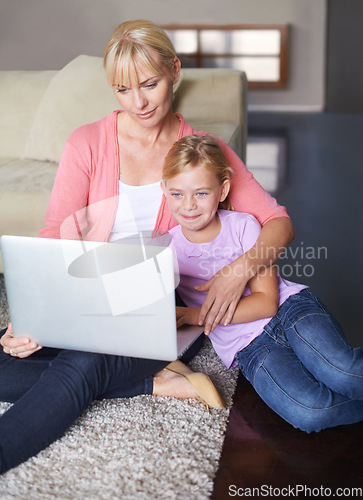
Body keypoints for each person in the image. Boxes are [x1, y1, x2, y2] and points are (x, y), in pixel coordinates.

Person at [0, 20, 293, 474]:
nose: (138, 102)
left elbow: (278, 222)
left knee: (82, 363)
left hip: (153, 305)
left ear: (174, 71)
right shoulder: (87, 143)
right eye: (122, 90)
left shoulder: (202, 151)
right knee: (7, 360)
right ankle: (154, 384)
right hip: (85, 294)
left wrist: (238, 271)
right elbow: (57, 234)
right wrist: (31, 314)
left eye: (150, 84)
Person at [161, 134, 363, 433]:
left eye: (201, 193)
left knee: (342, 371)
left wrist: (192, 315)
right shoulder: (167, 250)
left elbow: (266, 302)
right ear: (164, 191)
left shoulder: (243, 226)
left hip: (290, 311)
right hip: (248, 346)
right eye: (177, 194)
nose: (188, 205)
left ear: (222, 190)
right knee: (308, 412)